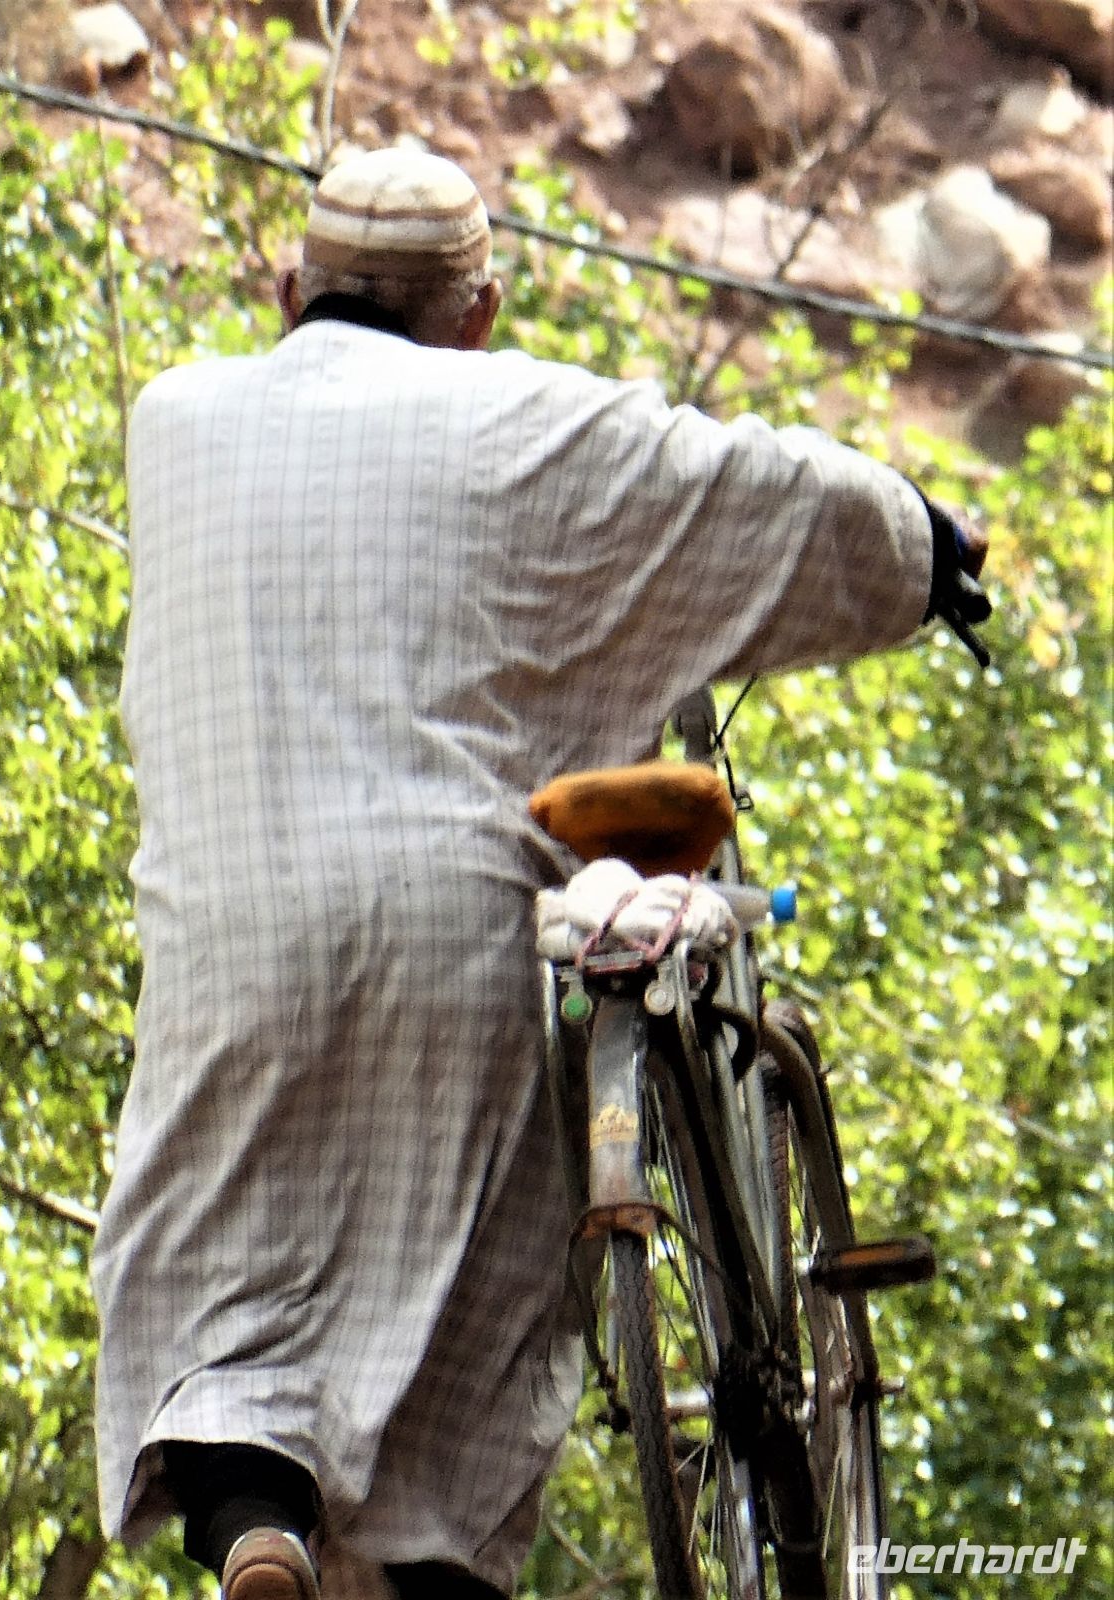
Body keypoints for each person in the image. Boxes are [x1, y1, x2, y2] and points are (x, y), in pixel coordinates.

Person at [90, 148, 988, 1600]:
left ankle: (257, 1517)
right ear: (482, 310)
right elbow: (753, 492)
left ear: (283, 291)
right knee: (469, 1354)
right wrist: (922, 549)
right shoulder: (519, 413)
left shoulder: (172, 420)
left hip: (227, 957)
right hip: (451, 944)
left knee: (226, 1296)